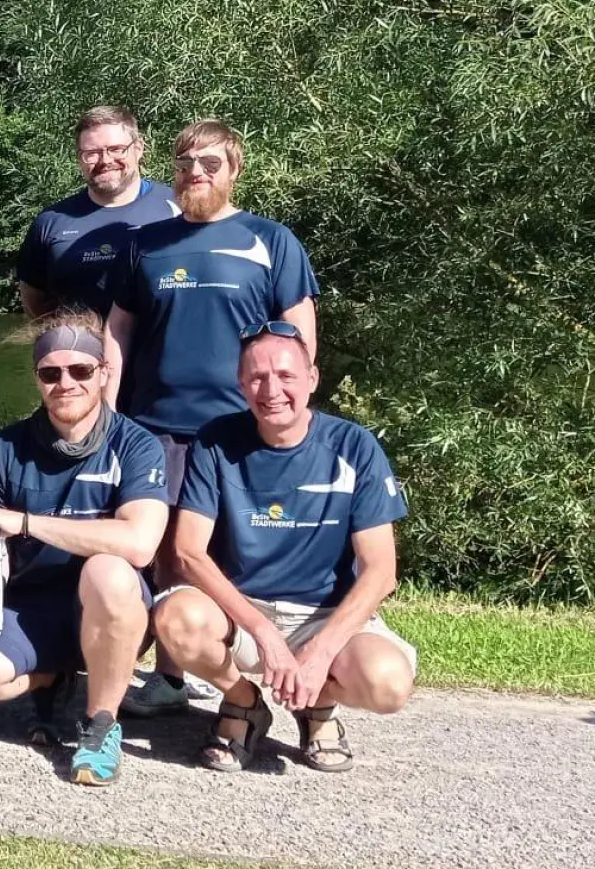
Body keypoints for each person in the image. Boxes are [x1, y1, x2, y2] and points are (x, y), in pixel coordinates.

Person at [105, 119, 321, 717]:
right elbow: (118, 331)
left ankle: (251, 663)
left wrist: (292, 411)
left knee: (240, 548)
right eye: (184, 165)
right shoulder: (144, 243)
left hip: (240, 429)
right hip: (156, 425)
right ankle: (171, 675)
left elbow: (299, 333)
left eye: (209, 164)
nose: (195, 174)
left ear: (234, 171)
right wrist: (106, 413)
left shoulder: (271, 240)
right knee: (168, 552)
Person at [154, 322, 416, 773]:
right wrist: (263, 631)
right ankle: (243, 703)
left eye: (285, 376)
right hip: (243, 612)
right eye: (256, 377)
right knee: (174, 618)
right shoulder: (215, 441)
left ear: (312, 379)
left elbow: (381, 571)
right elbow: (189, 552)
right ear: (240, 384)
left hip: (325, 618)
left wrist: (318, 655)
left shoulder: (355, 447)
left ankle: (315, 705)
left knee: (387, 684)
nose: (271, 389)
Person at [0, 310, 169, 786]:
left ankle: (101, 723)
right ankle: (51, 675)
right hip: (34, 609)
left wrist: (25, 523)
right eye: (51, 373)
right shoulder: (5, 449)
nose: (65, 383)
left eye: (80, 370)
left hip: (114, 609)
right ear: (38, 380)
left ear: (103, 372)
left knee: (106, 570)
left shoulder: (136, 445)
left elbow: (140, 543)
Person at [17, 105, 179, 321]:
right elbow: (33, 298)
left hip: (159, 352)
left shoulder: (178, 208)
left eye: (116, 149)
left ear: (138, 148)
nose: (105, 160)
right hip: (82, 350)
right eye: (91, 153)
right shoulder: (51, 222)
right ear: (79, 158)